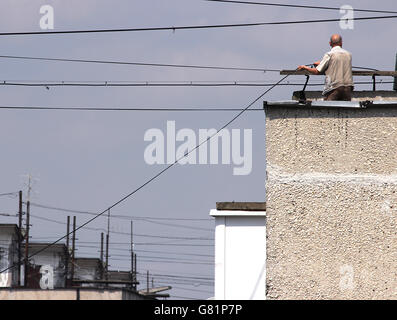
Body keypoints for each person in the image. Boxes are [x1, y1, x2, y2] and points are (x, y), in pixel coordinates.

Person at [298, 34, 354, 101]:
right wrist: (321, 63)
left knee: (328, 109)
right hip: (348, 89)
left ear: (330, 43)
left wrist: (304, 67)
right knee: (345, 110)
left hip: (335, 88)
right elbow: (337, 64)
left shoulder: (329, 54)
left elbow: (317, 71)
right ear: (341, 43)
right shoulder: (348, 54)